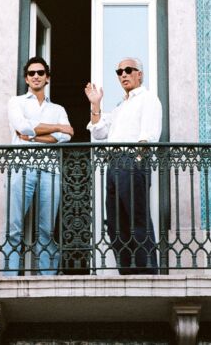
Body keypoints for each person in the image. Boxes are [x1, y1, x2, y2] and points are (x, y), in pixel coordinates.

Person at [85, 57, 163, 275]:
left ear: (140, 74)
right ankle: (127, 272)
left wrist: (137, 160)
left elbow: (148, 135)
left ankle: (147, 273)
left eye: (128, 70)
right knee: (116, 224)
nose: (123, 74)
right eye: (119, 72)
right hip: (114, 165)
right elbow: (99, 132)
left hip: (131, 162)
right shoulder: (121, 107)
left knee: (137, 218)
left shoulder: (148, 99)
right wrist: (96, 104)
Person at [4, 56, 72, 276]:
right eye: (31, 73)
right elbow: (22, 125)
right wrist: (56, 128)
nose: (36, 76)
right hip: (21, 167)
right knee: (14, 227)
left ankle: (48, 276)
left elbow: (66, 136)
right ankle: (10, 276)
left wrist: (32, 137)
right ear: (26, 78)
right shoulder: (16, 102)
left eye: (40, 73)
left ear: (47, 78)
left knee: (46, 228)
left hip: (50, 170)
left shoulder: (58, 108)